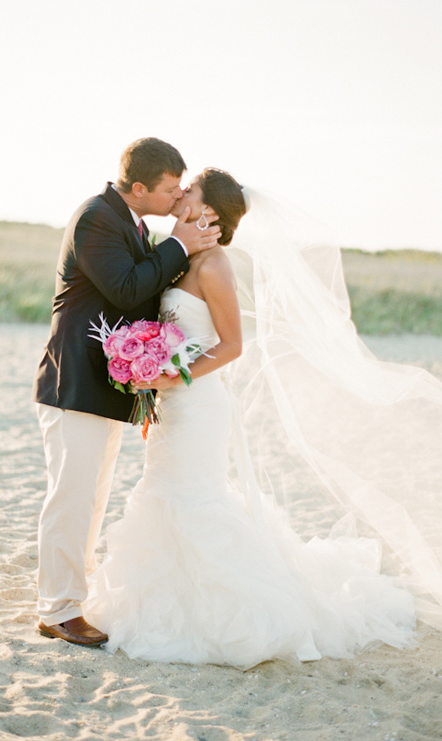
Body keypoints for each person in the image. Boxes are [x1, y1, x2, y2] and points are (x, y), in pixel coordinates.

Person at [82, 168, 442, 669]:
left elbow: (231, 346)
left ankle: (222, 613)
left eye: (190, 191)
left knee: (195, 497)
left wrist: (173, 377)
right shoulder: (183, 257)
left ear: (208, 212)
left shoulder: (215, 267)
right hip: (172, 405)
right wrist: (149, 367)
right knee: (162, 489)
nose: (181, 193)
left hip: (200, 403)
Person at [32, 138, 221, 646]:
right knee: (71, 498)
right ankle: (58, 609)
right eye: (169, 188)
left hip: (107, 386)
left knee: (91, 498)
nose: (177, 195)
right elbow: (127, 288)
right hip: (74, 383)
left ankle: (70, 595)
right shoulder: (96, 217)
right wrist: (179, 246)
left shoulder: (133, 223)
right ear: (138, 188)